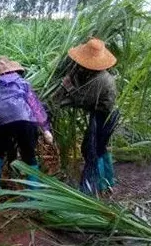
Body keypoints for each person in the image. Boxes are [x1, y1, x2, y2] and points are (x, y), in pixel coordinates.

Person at [53, 38, 120, 196]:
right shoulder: (101, 75)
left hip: (103, 116)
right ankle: (107, 182)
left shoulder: (99, 80)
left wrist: (68, 87)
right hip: (108, 115)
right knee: (100, 148)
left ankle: (90, 189)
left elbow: (82, 100)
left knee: (91, 150)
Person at [0, 56, 53, 190]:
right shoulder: (22, 82)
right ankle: (35, 193)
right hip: (24, 119)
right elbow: (35, 106)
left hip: (0, 122)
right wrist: (45, 128)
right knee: (29, 154)